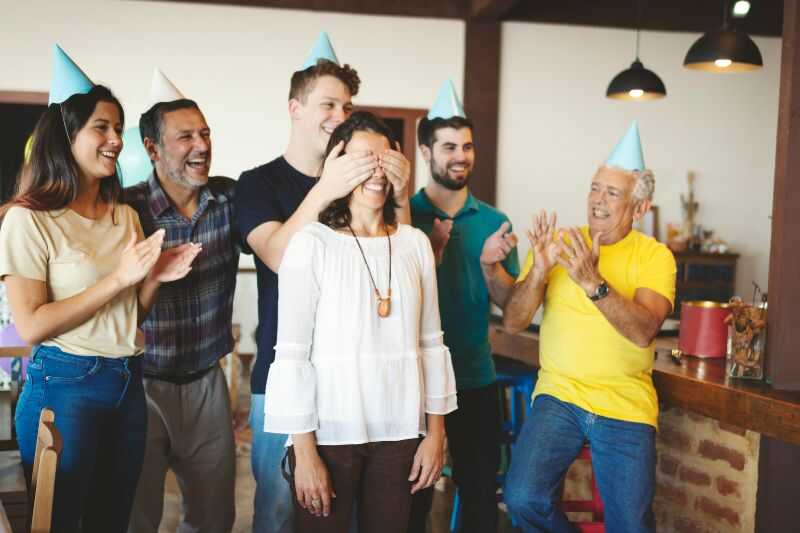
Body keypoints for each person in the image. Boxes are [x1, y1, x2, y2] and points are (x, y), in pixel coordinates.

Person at [0, 46, 198, 533]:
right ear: (66, 136)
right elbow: (31, 324)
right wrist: (120, 277)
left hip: (128, 381)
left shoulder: (124, 215)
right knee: (62, 521)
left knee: (114, 520)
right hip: (64, 385)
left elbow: (130, 317)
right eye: (102, 128)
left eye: (117, 127)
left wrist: (151, 279)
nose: (115, 139)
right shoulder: (27, 219)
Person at [234, 33, 411, 532]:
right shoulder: (258, 183)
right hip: (282, 373)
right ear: (294, 108)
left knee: (344, 518)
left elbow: (399, 268)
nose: (340, 114)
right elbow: (275, 257)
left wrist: (401, 196)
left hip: (356, 384)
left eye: (348, 105)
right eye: (327, 103)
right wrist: (326, 189)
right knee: (277, 509)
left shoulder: (365, 187)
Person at [264, 111, 457, 533]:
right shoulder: (311, 244)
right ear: (336, 166)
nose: (376, 171)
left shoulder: (414, 244)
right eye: (361, 159)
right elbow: (293, 352)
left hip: (402, 427)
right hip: (331, 430)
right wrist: (305, 453)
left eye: (384, 158)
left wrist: (435, 433)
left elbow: (430, 343)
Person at [502, 122, 676, 533]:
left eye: (612, 193)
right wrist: (539, 272)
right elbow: (513, 321)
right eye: (595, 188)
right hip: (559, 396)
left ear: (640, 209)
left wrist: (593, 283)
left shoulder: (656, 256)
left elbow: (644, 330)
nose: (598, 200)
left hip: (625, 403)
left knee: (631, 525)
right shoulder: (561, 245)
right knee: (523, 498)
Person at [125, 69, 241, 533]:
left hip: (207, 384)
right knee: (136, 516)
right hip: (140, 385)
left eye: (206, 133)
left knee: (215, 518)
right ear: (152, 148)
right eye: (185, 137)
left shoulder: (230, 199)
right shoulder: (125, 209)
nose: (201, 145)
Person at [408, 80, 519, 533]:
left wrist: (493, 268)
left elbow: (511, 309)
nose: (461, 156)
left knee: (477, 496)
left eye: (467, 146)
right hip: (414, 381)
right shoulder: (402, 217)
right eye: (449, 145)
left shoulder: (495, 222)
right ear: (425, 151)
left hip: (474, 375)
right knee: (412, 496)